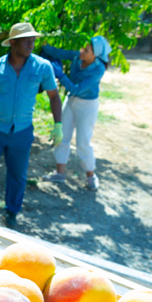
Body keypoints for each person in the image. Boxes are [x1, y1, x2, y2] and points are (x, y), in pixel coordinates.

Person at [0, 22, 62, 227]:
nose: (32, 44)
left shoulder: (42, 67)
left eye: (33, 40)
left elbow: (53, 96)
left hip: (22, 131)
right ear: (13, 43)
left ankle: (11, 213)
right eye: (27, 41)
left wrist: (58, 124)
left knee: (18, 175)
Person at [39, 36, 110, 190]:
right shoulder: (77, 56)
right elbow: (57, 52)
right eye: (83, 47)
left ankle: (91, 176)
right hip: (71, 101)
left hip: (87, 105)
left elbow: (76, 88)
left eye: (87, 50)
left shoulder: (98, 69)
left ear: (95, 55)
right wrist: (42, 41)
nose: (82, 51)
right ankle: (60, 173)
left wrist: (61, 75)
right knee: (62, 136)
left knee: (83, 141)